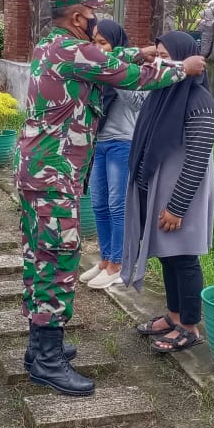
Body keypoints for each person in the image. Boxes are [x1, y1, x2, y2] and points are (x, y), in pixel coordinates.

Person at [17, 0, 205, 397]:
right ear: (76, 18)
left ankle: (39, 347)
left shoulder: (50, 45)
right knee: (57, 259)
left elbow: (112, 58)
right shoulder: (71, 50)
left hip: (39, 170)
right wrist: (182, 67)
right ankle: (47, 361)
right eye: (91, 14)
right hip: (53, 173)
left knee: (38, 254)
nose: (95, 21)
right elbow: (130, 74)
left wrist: (138, 50)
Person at [122, 31, 214, 353]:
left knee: (184, 258)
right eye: (159, 56)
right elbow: (128, 70)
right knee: (167, 257)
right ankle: (174, 315)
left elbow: (197, 160)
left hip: (182, 198)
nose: (163, 63)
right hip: (159, 193)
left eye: (169, 56)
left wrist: (177, 207)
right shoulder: (162, 93)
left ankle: (189, 326)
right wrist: (152, 52)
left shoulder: (200, 102)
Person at [79, 20, 146, 290]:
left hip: (121, 142)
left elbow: (138, 103)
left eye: (103, 43)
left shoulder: (128, 69)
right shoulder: (94, 70)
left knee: (118, 205)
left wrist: (115, 75)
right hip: (100, 142)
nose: (98, 48)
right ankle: (105, 260)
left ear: (117, 45)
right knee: (98, 203)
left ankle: (118, 264)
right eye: (94, 42)